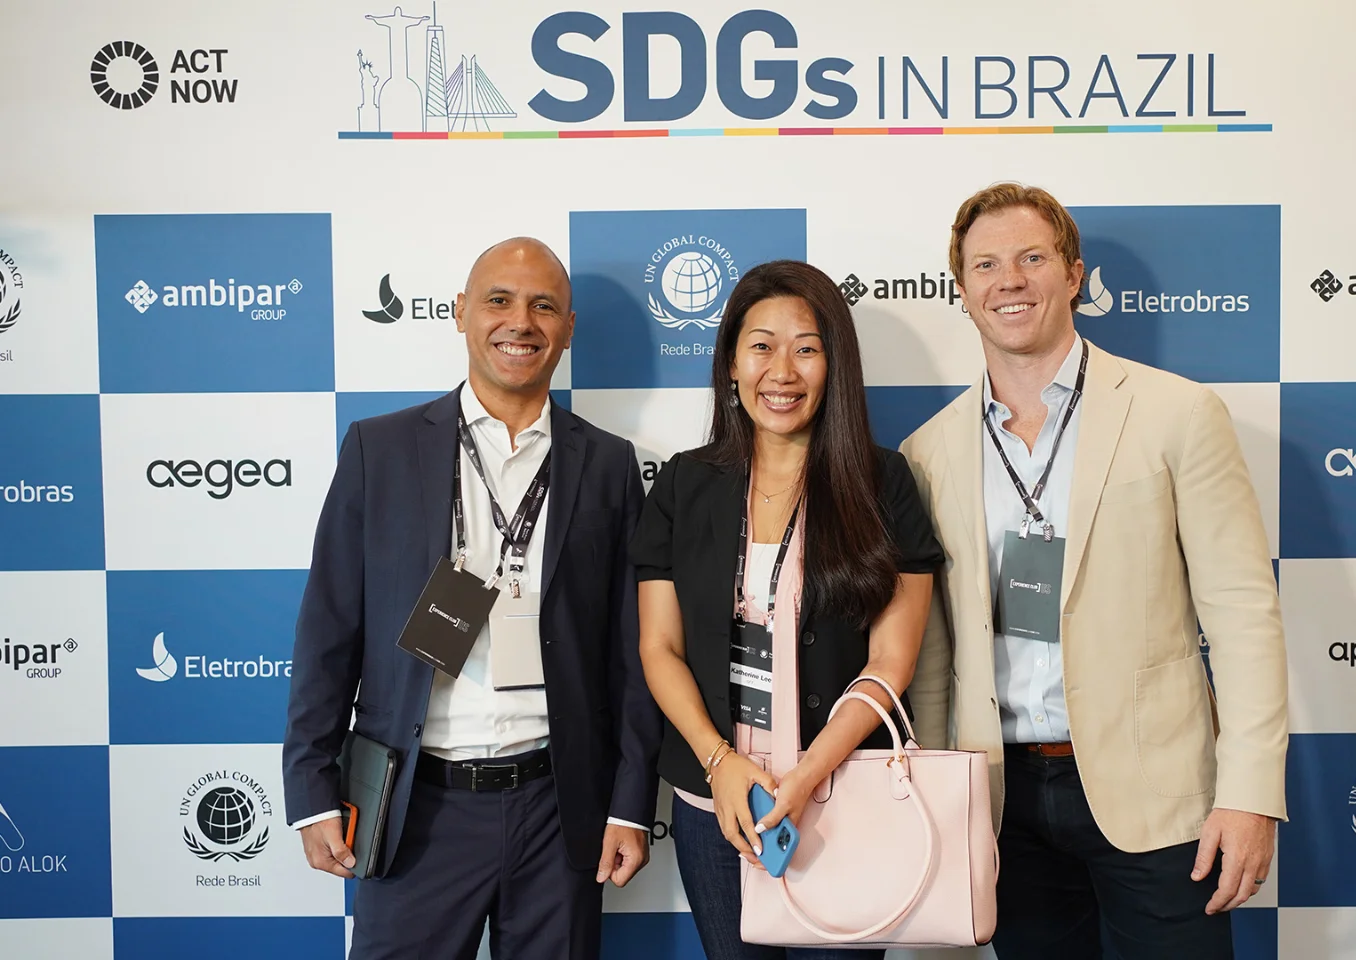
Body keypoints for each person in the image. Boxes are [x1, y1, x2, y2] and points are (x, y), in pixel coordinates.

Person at [901, 184, 1288, 959]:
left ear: (1075, 275)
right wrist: (936, 804)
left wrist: (1249, 795)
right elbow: (934, 658)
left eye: (1031, 258)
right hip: (1001, 797)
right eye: (986, 265)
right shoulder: (929, 452)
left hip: (1158, 794)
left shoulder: (1178, 414)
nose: (1008, 279)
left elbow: (1243, 617)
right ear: (963, 292)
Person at [282, 237, 663, 960]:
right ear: (460, 313)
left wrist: (631, 801)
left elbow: (632, 653)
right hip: (415, 807)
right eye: (499, 300)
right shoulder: (379, 450)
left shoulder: (609, 465)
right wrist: (311, 786)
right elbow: (328, 631)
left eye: (543, 306)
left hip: (559, 807)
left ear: (568, 328)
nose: (520, 322)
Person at [630, 260, 943, 960]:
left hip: (840, 798)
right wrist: (719, 762)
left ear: (835, 366)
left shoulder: (882, 481)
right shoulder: (685, 483)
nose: (783, 370)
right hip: (715, 804)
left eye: (806, 347)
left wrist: (805, 777)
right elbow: (660, 648)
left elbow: (893, 659)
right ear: (731, 365)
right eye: (761, 345)